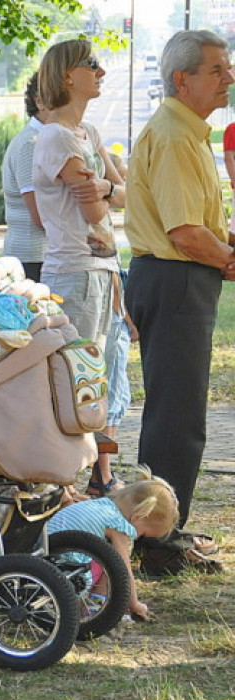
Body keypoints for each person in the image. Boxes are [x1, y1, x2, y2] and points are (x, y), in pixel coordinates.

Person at [124, 29, 235, 573]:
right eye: (217, 69)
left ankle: (164, 527)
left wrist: (226, 245)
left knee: (177, 413)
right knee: (177, 418)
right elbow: (187, 232)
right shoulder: (173, 135)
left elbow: (202, 226)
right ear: (181, 78)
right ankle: (159, 542)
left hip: (177, 280)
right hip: (175, 280)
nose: (229, 78)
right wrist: (228, 258)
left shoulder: (186, 132)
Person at [33, 40, 127, 346]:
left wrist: (106, 188)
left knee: (97, 377)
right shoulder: (58, 137)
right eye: (91, 64)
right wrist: (112, 192)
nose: (102, 70)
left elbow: (129, 195)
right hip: (75, 274)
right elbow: (94, 212)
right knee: (79, 379)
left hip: (102, 268)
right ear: (67, 76)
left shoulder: (89, 132)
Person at [47, 468, 179, 620]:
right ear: (138, 517)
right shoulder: (118, 526)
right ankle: (94, 608)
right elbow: (123, 572)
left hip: (47, 560)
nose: (138, 538)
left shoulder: (101, 505)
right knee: (111, 564)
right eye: (142, 534)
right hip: (66, 576)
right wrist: (134, 604)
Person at [1, 74, 48, 282]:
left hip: (40, 255)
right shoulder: (31, 143)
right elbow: (39, 215)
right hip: (31, 257)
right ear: (39, 101)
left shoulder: (43, 139)